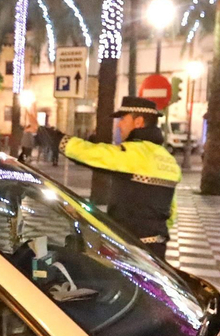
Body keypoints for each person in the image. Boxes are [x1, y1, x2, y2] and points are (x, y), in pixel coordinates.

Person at [61, 96, 181, 258]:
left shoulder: (134, 153)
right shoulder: (168, 158)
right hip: (157, 249)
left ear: (138, 122)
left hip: (130, 249)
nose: (119, 124)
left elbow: (88, 153)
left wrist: (49, 135)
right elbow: (171, 212)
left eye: (123, 119)